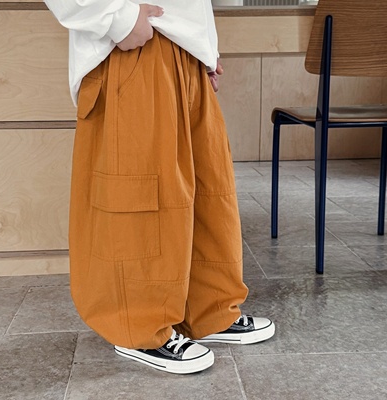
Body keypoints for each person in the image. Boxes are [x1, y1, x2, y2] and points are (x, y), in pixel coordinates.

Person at [44, 0, 275, 375]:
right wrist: (117, 18)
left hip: (186, 52)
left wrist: (205, 46)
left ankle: (208, 311)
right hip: (132, 47)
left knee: (208, 194)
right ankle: (137, 325)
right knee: (141, 195)